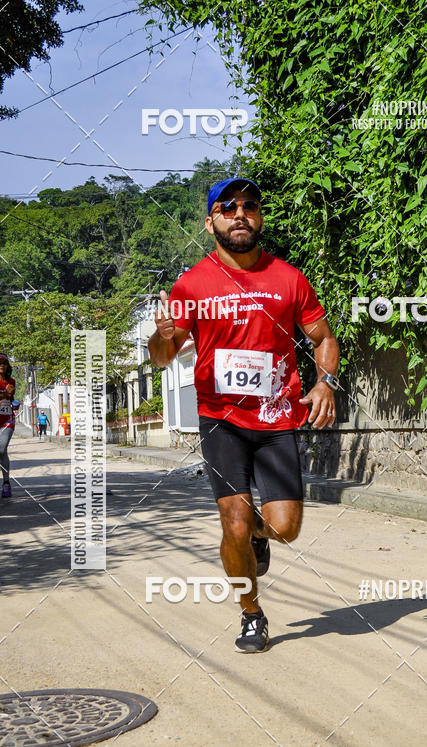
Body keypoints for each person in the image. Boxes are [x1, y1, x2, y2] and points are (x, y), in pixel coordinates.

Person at [149, 177, 340, 653]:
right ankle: (251, 613)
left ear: (260, 218)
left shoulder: (288, 278)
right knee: (232, 520)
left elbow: (323, 338)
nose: (240, 214)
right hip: (220, 418)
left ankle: (260, 534)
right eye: (228, 207)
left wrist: (325, 382)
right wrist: (162, 336)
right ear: (210, 221)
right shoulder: (191, 284)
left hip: (276, 418)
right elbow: (162, 357)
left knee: (284, 528)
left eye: (250, 206)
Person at [0, 353, 16, 498]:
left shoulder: (12, 381)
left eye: (4, 363)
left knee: (1, 448)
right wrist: (5, 394)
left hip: (7, 420)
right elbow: (5, 395)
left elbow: (11, 400)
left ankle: (5, 483)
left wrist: (15, 404)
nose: (2, 365)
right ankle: (6, 482)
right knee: (2, 452)